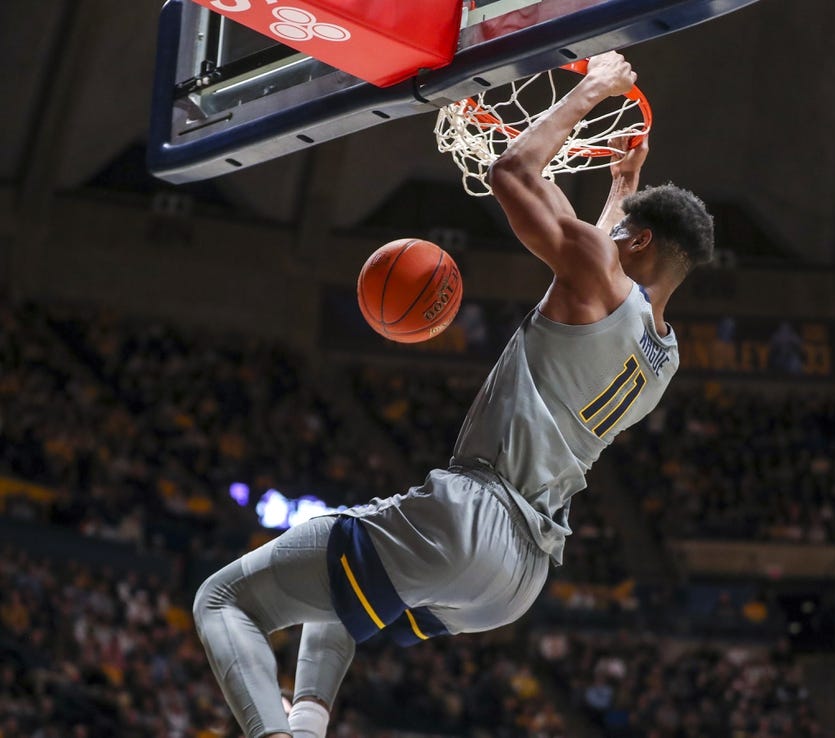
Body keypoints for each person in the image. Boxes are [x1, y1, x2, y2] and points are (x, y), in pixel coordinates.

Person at [192, 51, 715, 738]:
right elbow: (610, 266)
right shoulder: (664, 355)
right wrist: (623, 186)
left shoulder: (595, 268)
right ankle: (307, 726)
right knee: (337, 601)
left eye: (619, 229)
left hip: (476, 516)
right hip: (516, 581)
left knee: (222, 599)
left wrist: (593, 90)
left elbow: (512, 173)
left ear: (637, 239)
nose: (605, 232)